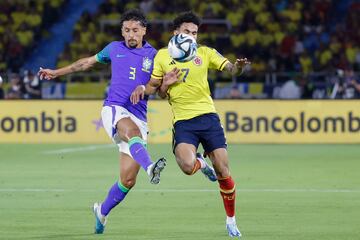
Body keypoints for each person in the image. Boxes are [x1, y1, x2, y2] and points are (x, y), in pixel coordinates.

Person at [38, 9, 166, 234]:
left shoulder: (154, 55)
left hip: (139, 115)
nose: (130, 34)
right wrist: (56, 73)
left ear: (144, 30)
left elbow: (158, 88)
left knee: (127, 181)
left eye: (135, 30)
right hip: (114, 109)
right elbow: (84, 64)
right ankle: (151, 168)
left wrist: (164, 84)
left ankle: (102, 211)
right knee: (132, 133)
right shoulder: (113, 48)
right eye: (126, 30)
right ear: (122, 31)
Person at [131, 11, 250, 238]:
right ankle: (201, 165)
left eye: (195, 33)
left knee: (223, 171)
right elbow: (159, 93)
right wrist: (162, 84)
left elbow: (232, 70)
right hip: (183, 121)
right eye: (187, 32)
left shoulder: (204, 53)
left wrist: (239, 67)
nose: (192, 36)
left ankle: (231, 220)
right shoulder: (163, 56)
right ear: (176, 32)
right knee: (187, 166)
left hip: (208, 118)